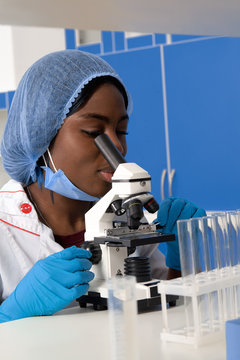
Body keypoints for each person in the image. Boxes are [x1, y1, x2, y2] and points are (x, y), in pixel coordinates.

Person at [0, 50, 205, 323]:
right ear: (42, 135)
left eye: (121, 131)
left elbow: (168, 317)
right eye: (94, 133)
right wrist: (9, 313)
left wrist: (182, 264)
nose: (117, 147)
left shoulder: (124, 216)